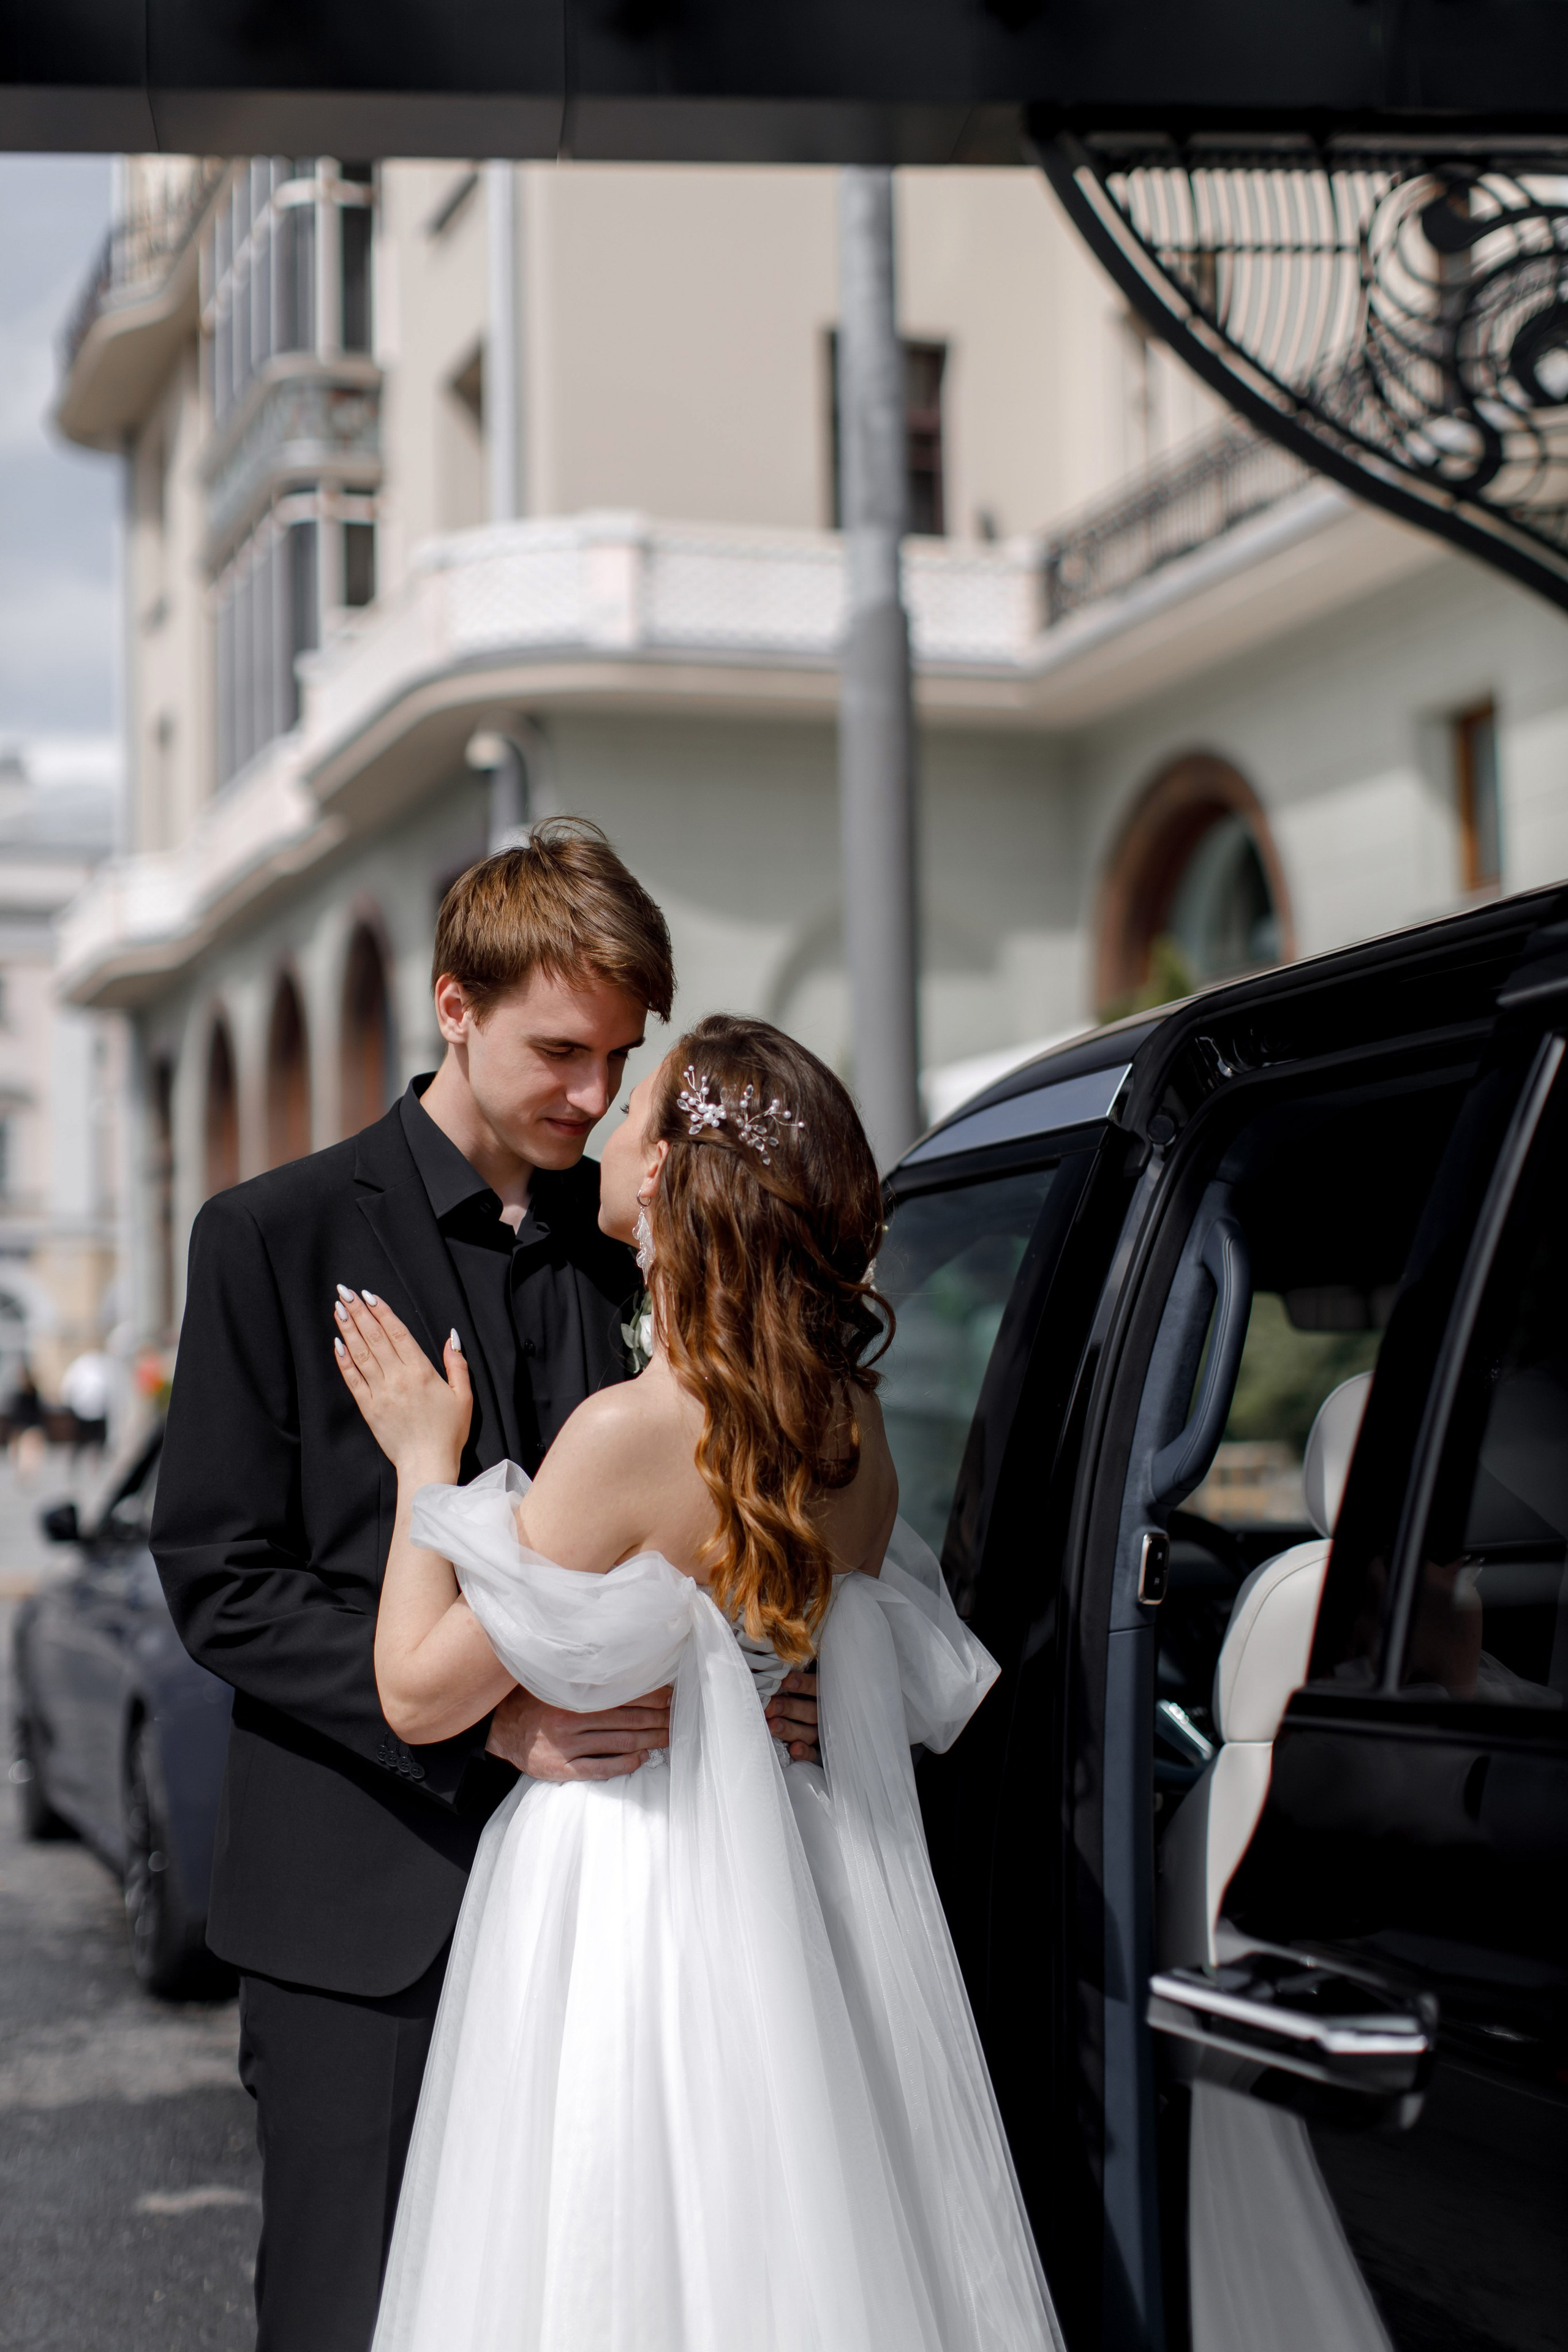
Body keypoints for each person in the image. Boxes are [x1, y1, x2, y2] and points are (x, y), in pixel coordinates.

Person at [151, 822, 820, 2352]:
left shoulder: (630, 1255)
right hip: (366, 1912)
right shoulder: (270, 1236)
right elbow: (222, 1581)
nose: (593, 1100)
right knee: (350, 2314)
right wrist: (492, 1717)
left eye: (620, 1060)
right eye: (560, 1051)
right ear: (454, 1004)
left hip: (622, 1894)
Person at [335, 1014, 1065, 2352]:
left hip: (626, 1895)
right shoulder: (850, 1429)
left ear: (668, 1178)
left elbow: (415, 1693)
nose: (606, 1124)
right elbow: (863, 1652)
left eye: (635, 1114)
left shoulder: (626, 1435)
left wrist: (423, 1468)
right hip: (802, 1889)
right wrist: (772, 1691)